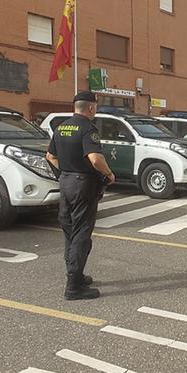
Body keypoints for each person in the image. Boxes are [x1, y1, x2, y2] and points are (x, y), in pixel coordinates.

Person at [45, 91, 115, 300]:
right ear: (91, 107)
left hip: (65, 183)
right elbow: (95, 159)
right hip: (83, 185)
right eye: (96, 106)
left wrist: (65, 173)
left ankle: (76, 274)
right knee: (82, 235)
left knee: (70, 232)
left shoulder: (60, 127)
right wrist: (109, 174)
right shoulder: (87, 128)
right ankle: (74, 287)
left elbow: (50, 156)